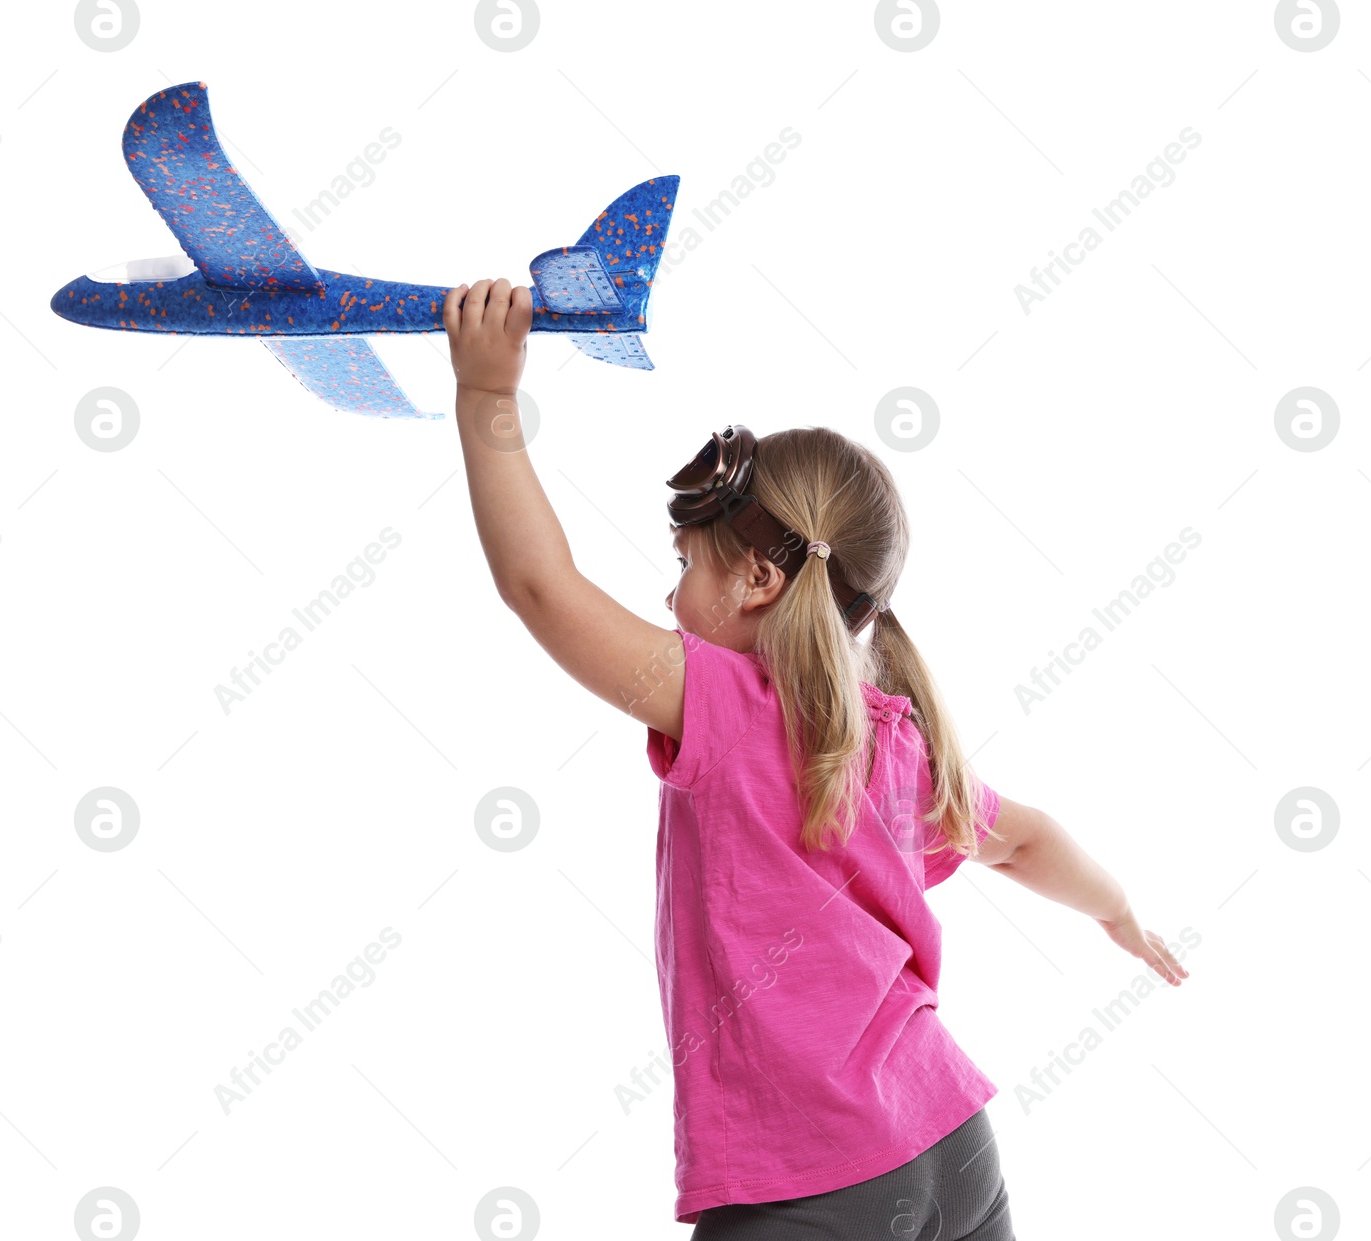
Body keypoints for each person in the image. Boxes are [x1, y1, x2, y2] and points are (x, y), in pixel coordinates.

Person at [443, 278, 1191, 1239]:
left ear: (757, 577)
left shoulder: (723, 701)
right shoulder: (894, 740)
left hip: (811, 1182)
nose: (670, 599)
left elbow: (542, 589)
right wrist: (1119, 911)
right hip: (953, 1143)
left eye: (684, 565)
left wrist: (488, 400)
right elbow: (1028, 839)